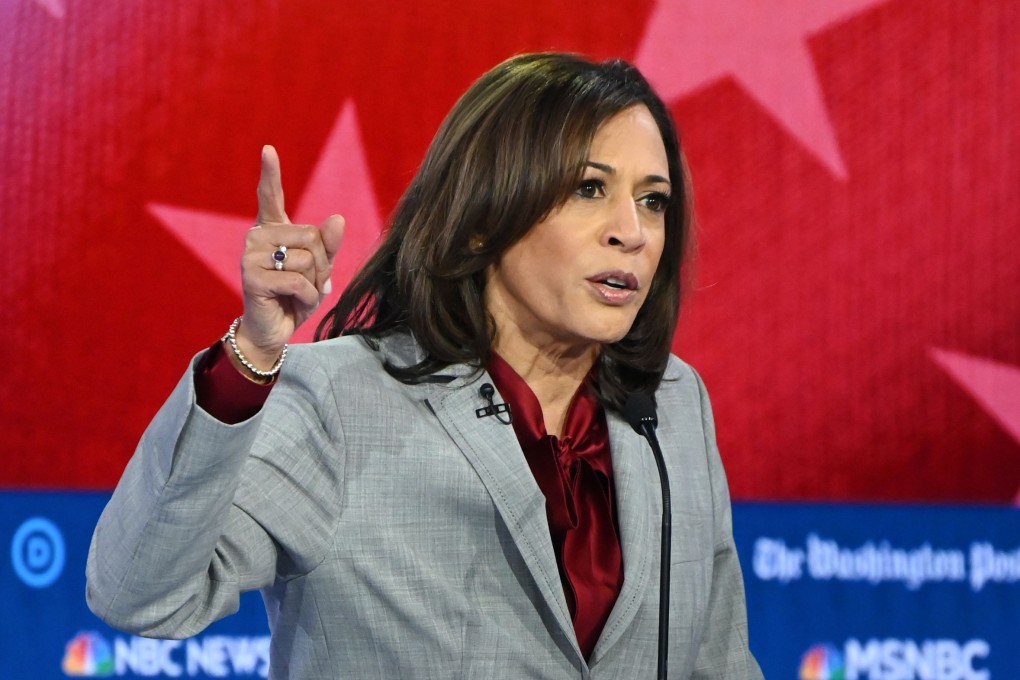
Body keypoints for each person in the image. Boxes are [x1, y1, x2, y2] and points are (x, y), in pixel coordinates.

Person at [87, 53, 763, 679]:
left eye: (654, 200)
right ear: (479, 218)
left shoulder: (671, 403)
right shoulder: (340, 401)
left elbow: (720, 660)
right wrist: (251, 357)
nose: (634, 232)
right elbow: (140, 594)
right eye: (589, 188)